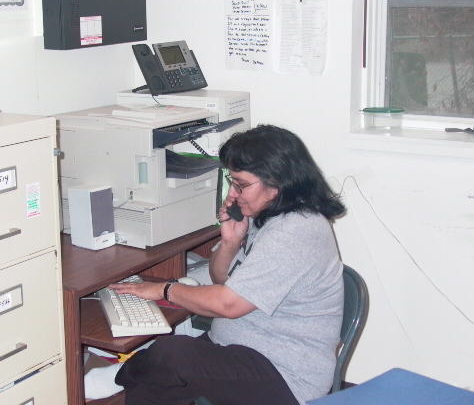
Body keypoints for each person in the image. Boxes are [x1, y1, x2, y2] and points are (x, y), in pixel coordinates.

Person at [84, 124, 346, 405]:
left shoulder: (297, 230)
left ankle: (119, 375)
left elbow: (228, 304)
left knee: (171, 355)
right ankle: (129, 375)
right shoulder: (267, 216)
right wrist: (231, 241)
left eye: (242, 184)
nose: (233, 192)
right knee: (159, 377)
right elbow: (221, 279)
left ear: (276, 184)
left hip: (285, 375)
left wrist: (165, 290)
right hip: (239, 350)